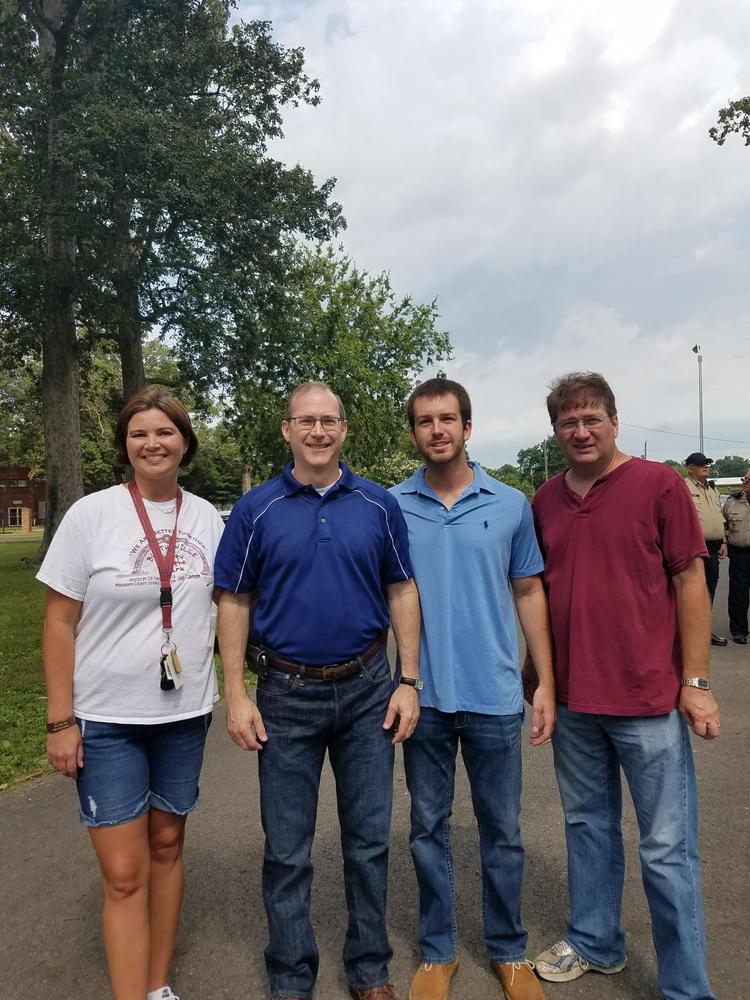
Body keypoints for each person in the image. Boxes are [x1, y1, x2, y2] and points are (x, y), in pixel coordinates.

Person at [214, 380, 421, 1000]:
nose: (318, 431)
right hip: (284, 694)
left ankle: (369, 968)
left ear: (344, 428)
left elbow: (402, 591)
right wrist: (236, 692)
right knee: (287, 851)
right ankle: (290, 974)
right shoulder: (257, 510)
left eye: (329, 421)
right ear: (287, 430)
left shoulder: (380, 506)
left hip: (367, 691)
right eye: (305, 421)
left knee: (367, 843)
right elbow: (234, 599)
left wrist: (408, 679)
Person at [527, 372, 720, 1000]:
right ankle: (596, 942)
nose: (581, 432)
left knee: (666, 849)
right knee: (588, 828)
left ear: (615, 421)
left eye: (592, 419)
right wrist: (539, 683)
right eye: (568, 422)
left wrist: (695, 682)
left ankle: (686, 986)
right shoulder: (545, 501)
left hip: (647, 701)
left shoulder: (659, 484)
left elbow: (691, 582)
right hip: (576, 701)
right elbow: (538, 596)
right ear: (556, 429)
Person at [37, 387, 224, 1000]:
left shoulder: (207, 519)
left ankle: (157, 986)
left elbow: (232, 607)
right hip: (106, 717)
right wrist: (60, 721)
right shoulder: (91, 516)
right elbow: (59, 621)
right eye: (140, 433)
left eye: (165, 432)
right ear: (125, 445)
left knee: (167, 846)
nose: (153, 443)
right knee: (122, 873)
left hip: (183, 713)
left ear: (185, 443)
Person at [391, 378, 555, 1000]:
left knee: (502, 829)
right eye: (426, 421)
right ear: (414, 432)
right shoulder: (391, 505)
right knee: (427, 827)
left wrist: (544, 681)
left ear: (468, 428)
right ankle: (438, 952)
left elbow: (529, 591)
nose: (438, 430)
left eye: (449, 419)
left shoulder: (510, 503)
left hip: (492, 694)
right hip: (422, 697)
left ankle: (509, 949)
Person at [684, 452, 728, 645]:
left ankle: (703, 631)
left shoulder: (711, 490)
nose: (706, 466)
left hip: (712, 547)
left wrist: (724, 540)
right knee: (693, 590)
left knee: (710, 589)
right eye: (702, 464)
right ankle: (689, 633)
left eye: (708, 464)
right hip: (693, 547)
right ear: (690, 467)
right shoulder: (683, 487)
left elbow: (718, 517)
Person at [723, 469, 750, 644]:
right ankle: (739, 630)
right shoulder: (732, 501)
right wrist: (724, 542)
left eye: (749, 480)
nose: (745, 483)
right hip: (740, 554)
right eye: (745, 479)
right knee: (738, 594)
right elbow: (721, 523)